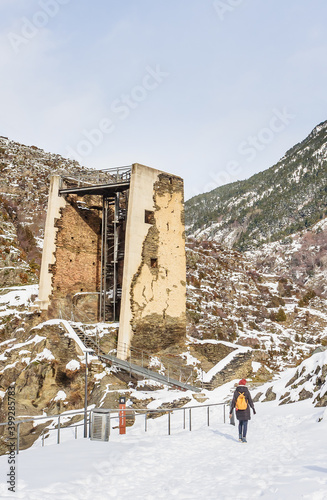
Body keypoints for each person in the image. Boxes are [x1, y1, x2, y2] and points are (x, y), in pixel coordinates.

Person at [229, 379, 256, 443]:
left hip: (238, 410)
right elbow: (250, 401)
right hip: (245, 410)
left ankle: (240, 436)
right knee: (245, 423)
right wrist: (253, 408)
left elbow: (233, 402)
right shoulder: (246, 391)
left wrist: (231, 411)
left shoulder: (236, 391)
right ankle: (244, 438)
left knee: (240, 423)